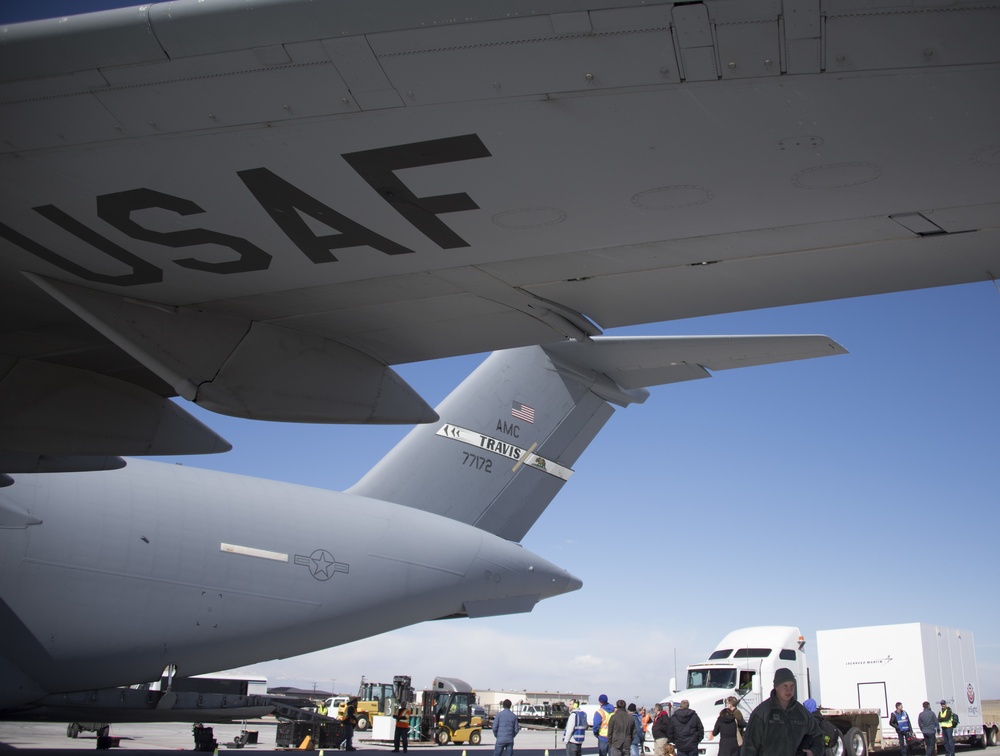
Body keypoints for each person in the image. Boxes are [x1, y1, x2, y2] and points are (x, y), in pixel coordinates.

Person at [741, 667, 824, 756]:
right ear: (776, 686)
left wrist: (814, 752)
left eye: (792, 686)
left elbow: (818, 737)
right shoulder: (762, 713)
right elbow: (749, 746)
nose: (789, 690)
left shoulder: (802, 713)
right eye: (785, 686)